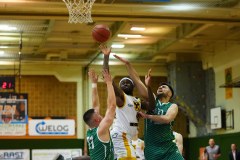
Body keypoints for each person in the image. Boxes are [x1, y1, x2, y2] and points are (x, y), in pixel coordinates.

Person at [113, 55, 184, 160]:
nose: (160, 87)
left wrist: (147, 116)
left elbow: (167, 119)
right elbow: (136, 80)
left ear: (170, 94)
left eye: (164, 87)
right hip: (152, 149)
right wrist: (128, 64)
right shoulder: (152, 100)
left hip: (169, 148)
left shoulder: (172, 106)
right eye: (159, 87)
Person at [100, 45, 151, 160]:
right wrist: (106, 56)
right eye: (123, 83)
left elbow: (152, 105)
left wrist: (148, 87)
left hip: (129, 136)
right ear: (120, 88)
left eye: (128, 81)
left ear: (134, 85)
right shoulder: (121, 97)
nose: (126, 83)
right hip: (120, 135)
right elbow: (106, 74)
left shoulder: (136, 101)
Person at [83, 69, 116, 160]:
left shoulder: (91, 130)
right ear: (97, 120)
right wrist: (109, 83)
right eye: (98, 114)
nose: (99, 113)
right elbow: (112, 106)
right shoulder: (101, 129)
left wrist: (94, 84)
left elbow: (95, 105)